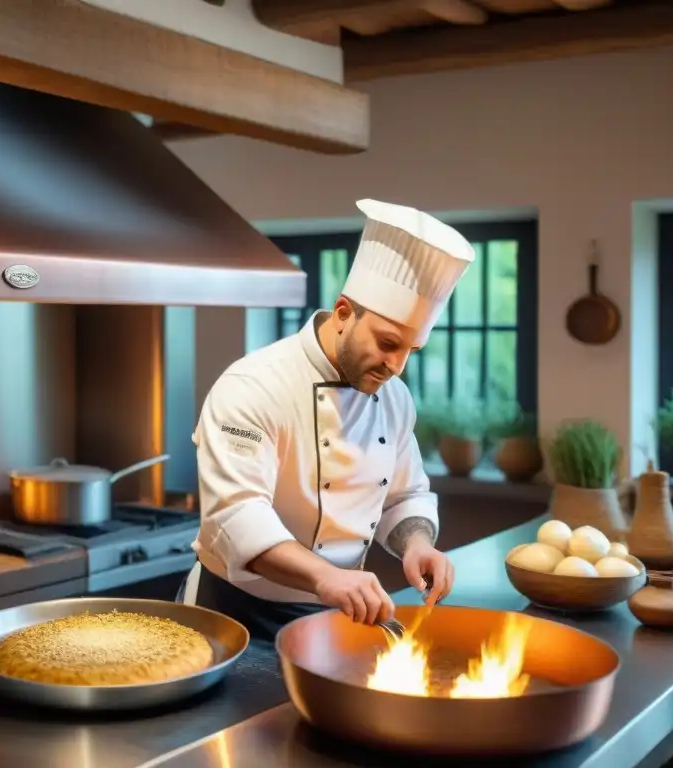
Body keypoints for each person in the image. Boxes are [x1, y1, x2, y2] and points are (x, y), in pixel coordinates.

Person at [178, 199, 475, 641]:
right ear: (342, 313)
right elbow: (237, 517)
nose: (396, 366)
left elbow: (403, 496)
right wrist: (326, 577)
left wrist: (418, 545)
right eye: (388, 343)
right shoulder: (252, 385)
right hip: (232, 615)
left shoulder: (393, 397)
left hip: (329, 617)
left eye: (410, 351)